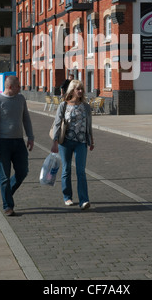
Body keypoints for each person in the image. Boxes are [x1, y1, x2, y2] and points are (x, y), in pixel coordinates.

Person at [0, 75, 34, 216]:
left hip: (18, 141)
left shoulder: (20, 99)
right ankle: (8, 206)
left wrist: (30, 137)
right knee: (4, 176)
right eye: (18, 86)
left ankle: (7, 193)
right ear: (9, 87)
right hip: (2, 143)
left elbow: (26, 118)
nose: (20, 88)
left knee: (23, 171)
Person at [51, 80, 94, 209]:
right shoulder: (64, 105)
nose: (80, 91)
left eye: (81, 89)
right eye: (78, 89)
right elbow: (57, 124)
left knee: (81, 171)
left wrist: (91, 140)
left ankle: (84, 201)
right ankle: (67, 196)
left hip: (81, 142)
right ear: (72, 90)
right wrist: (55, 141)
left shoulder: (86, 106)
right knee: (66, 169)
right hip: (65, 142)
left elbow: (89, 125)